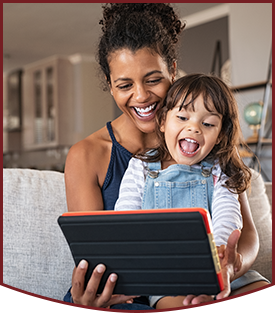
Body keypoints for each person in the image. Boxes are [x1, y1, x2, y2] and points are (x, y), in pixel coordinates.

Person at [64, 3, 269, 309]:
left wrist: (228, 266)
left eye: (153, 79)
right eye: (124, 85)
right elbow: (97, 255)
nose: (141, 96)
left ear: (172, 69)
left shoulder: (210, 146)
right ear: (109, 85)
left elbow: (247, 235)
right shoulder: (88, 155)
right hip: (131, 292)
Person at [114, 73, 252, 308]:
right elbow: (125, 219)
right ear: (162, 122)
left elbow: (227, 212)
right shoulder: (141, 166)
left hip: (223, 273)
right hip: (169, 280)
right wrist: (128, 276)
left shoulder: (220, 168)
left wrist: (218, 260)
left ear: (219, 136)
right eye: (182, 117)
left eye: (208, 124)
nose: (194, 128)